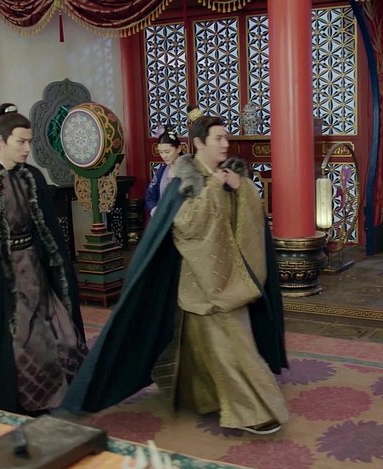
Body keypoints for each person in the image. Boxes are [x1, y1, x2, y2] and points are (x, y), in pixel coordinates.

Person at [63, 113, 288, 435]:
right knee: (232, 348)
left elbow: (246, 221)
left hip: (226, 276)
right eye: (219, 138)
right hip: (202, 282)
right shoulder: (185, 181)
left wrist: (242, 189)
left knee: (205, 347)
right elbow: (186, 226)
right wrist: (214, 187)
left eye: (226, 137)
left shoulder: (228, 174)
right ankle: (253, 411)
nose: (225, 144)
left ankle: (201, 397)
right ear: (199, 143)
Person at [0, 103, 88, 415]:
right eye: (21, 141)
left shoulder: (32, 177)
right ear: (1, 140)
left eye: (29, 142)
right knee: (23, 342)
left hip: (35, 269)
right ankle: (25, 404)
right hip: (1, 276)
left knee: (63, 336)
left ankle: (56, 397)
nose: (26, 149)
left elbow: (48, 232)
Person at [144, 125, 182, 217]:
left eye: (167, 152)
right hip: (163, 217)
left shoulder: (189, 169)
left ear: (178, 149)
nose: (164, 156)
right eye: (161, 152)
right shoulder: (161, 171)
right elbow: (150, 196)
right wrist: (154, 209)